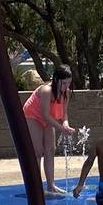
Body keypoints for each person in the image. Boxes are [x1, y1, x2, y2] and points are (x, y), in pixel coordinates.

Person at [22, 66, 75, 195]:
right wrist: (61, 128)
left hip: (49, 118)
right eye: (63, 83)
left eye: (68, 82)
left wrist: (66, 125)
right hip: (33, 116)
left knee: (50, 149)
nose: (66, 86)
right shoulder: (46, 91)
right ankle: (35, 186)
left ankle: (51, 186)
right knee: (37, 151)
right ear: (56, 80)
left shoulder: (66, 92)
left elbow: (64, 114)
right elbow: (45, 115)